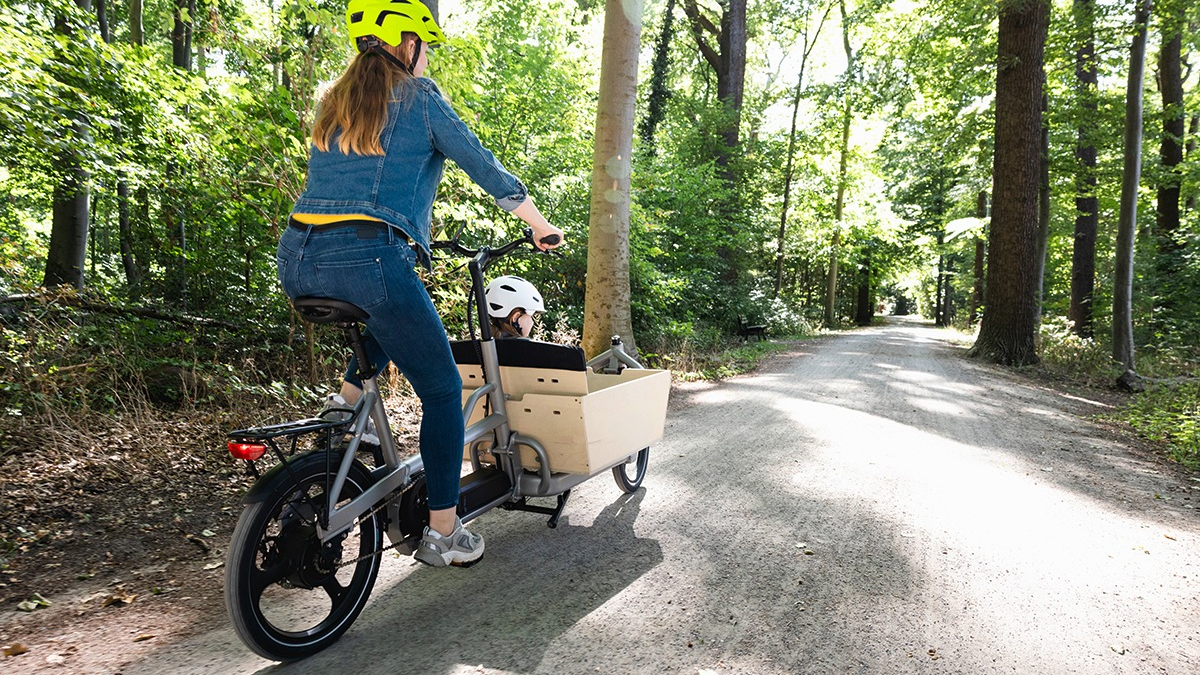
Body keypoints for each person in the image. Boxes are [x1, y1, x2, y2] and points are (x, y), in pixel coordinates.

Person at [275, 0, 564, 568]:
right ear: (407, 43)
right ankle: (443, 532)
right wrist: (539, 224)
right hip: (370, 258)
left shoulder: (334, 102)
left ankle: (345, 409)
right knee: (441, 390)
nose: (425, 56)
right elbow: (482, 165)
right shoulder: (420, 97)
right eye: (424, 45)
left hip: (297, 258)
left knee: (388, 314)